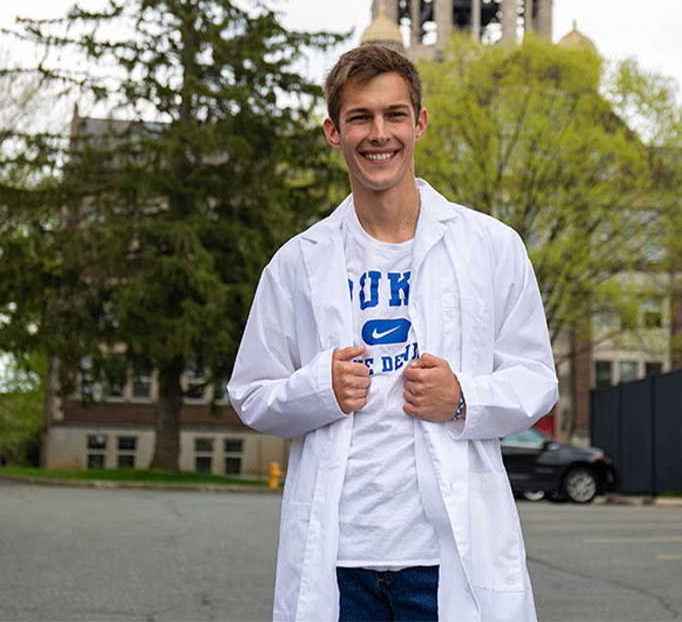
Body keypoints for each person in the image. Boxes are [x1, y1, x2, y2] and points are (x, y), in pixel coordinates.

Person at [227, 44, 558, 622]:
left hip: (444, 559)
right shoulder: (297, 262)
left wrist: (463, 399)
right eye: (360, 118)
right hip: (339, 562)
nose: (379, 134)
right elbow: (251, 392)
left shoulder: (491, 248)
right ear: (334, 131)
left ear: (420, 123)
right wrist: (317, 389)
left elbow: (536, 379)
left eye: (394, 115)